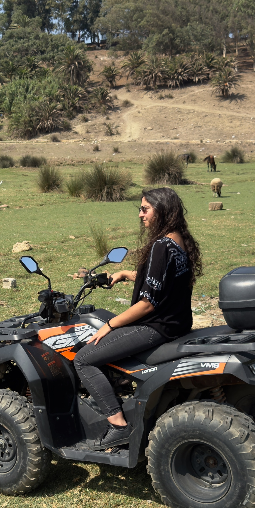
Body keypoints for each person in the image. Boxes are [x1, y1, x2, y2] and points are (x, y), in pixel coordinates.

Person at [74, 187, 203, 450]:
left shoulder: (160, 245)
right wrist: (125, 273)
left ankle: (118, 425)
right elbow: (163, 281)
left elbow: (147, 305)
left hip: (156, 326)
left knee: (84, 359)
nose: (141, 215)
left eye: (145, 209)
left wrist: (110, 325)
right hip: (177, 322)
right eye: (140, 209)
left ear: (162, 211)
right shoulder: (177, 240)